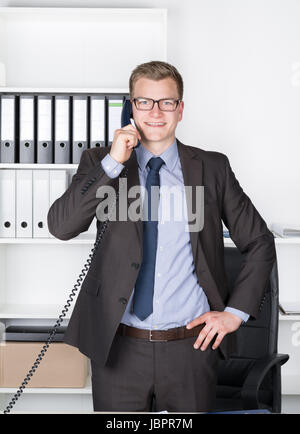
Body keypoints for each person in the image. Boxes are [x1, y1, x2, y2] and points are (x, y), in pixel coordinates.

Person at [47, 61, 276, 412]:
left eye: (166, 102)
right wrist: (112, 163)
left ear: (180, 109)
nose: (155, 112)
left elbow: (259, 241)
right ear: (130, 106)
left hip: (191, 349)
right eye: (144, 102)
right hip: (118, 347)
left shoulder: (212, 168)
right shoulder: (101, 161)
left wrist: (235, 313)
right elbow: (61, 226)